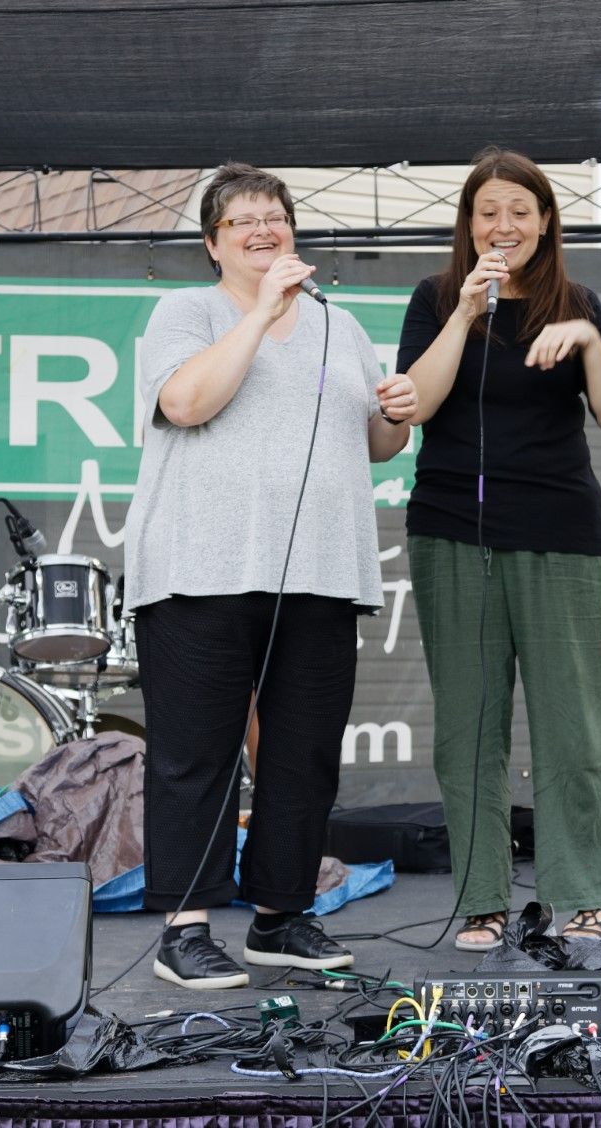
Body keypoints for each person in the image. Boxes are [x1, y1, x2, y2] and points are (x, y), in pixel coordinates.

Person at [124, 162, 417, 988]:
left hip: (321, 570)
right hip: (199, 568)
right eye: (243, 220)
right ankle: (184, 929)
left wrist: (398, 417)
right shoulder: (187, 312)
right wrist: (259, 312)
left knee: (302, 752)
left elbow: (375, 442)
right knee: (195, 754)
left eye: (275, 216)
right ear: (213, 244)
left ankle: (281, 917)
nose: (264, 230)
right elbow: (187, 403)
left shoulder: (338, 324)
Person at [397, 147, 601, 950]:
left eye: (520, 212)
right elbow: (415, 405)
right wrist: (466, 313)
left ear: (546, 222)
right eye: (488, 212)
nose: (504, 226)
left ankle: (592, 894)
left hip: (559, 533)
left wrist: (590, 342)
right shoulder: (435, 298)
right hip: (451, 531)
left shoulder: (578, 303)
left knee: (575, 725)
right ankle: (483, 901)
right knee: (468, 730)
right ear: (468, 224)